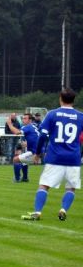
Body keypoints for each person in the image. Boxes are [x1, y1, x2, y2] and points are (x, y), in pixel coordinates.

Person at [22, 89, 83, 221]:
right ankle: (63, 209)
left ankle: (37, 212)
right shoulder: (80, 116)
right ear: (74, 100)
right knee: (71, 188)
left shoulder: (52, 114)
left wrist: (38, 153)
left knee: (44, 185)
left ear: (60, 98)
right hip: (73, 158)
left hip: (55, 156)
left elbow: (43, 135)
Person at [6, 113, 39, 183]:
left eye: (25, 118)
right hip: (37, 152)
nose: (23, 120)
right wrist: (28, 143)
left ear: (30, 120)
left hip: (34, 152)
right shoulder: (34, 127)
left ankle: (17, 179)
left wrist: (9, 124)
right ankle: (25, 178)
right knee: (24, 162)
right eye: (22, 118)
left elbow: (16, 132)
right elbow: (37, 137)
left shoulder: (27, 127)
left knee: (15, 160)